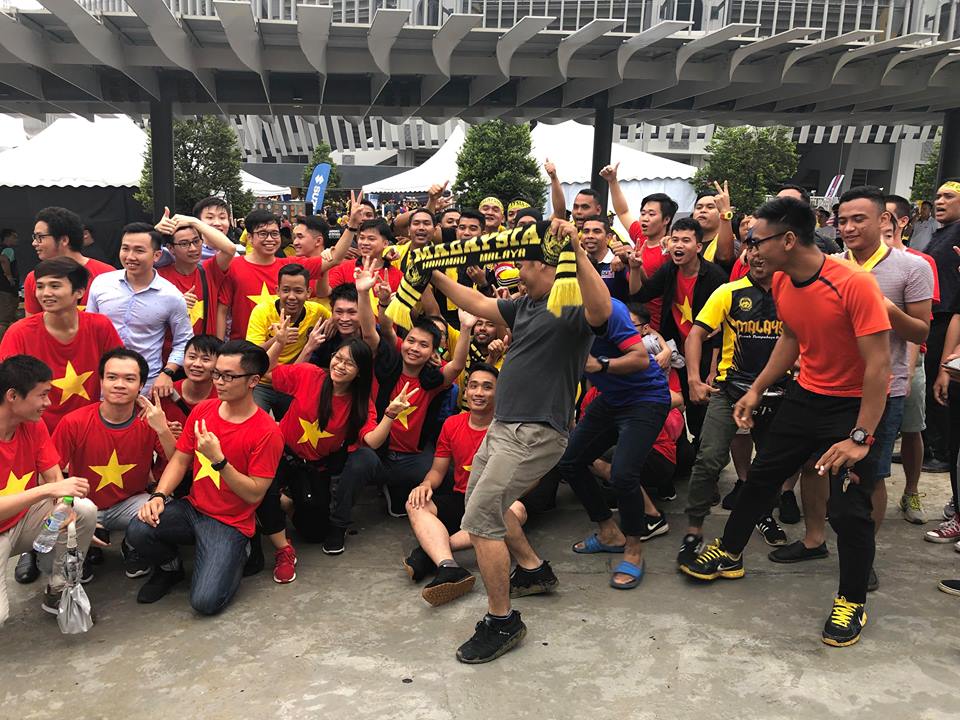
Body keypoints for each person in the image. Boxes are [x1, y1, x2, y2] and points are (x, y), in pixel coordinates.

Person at [679, 197, 892, 648]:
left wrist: (860, 437)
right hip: (805, 397)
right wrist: (756, 389)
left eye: (756, 240)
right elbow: (792, 337)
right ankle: (730, 552)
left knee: (848, 509)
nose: (750, 250)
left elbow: (879, 367)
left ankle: (852, 600)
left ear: (789, 239)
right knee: (761, 478)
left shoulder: (854, 284)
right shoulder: (781, 281)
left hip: (852, 407)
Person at [428, 218, 611, 663]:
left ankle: (502, 620)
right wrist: (428, 271)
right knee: (482, 505)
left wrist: (576, 249)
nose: (517, 273)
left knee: (482, 517)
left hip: (534, 432)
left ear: (548, 266)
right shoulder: (524, 305)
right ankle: (532, 569)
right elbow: (475, 301)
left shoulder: (571, 306)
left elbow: (602, 310)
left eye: (525, 265)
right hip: (504, 427)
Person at [790, 186, 931, 593]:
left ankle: (861, 555)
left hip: (883, 388)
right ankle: (814, 538)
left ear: (884, 220)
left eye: (858, 219)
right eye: (843, 221)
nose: (849, 228)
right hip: (826, 386)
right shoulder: (830, 265)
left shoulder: (912, 267)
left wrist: (886, 309)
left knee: (869, 474)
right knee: (814, 465)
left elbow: (921, 332)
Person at [126, 341, 284, 614]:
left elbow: (254, 493)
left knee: (205, 602)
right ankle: (170, 567)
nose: (219, 382)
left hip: (230, 522)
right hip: (194, 508)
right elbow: (180, 459)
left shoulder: (267, 432)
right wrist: (159, 495)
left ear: (253, 381)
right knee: (139, 528)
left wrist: (219, 461)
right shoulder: (203, 411)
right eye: (217, 374)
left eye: (228, 376)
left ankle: (239, 551)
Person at [678, 239, 790, 568]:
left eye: (763, 248)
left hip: (779, 393)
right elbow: (695, 334)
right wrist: (693, 379)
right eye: (752, 248)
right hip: (730, 391)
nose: (757, 255)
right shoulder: (728, 292)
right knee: (708, 459)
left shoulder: (792, 292)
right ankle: (694, 530)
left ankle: (763, 516)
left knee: (770, 466)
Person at [265, 333, 412, 564]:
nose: (340, 366)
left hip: (314, 467)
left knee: (314, 532)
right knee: (261, 493)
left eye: (349, 363)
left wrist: (390, 415)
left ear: (360, 372)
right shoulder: (310, 374)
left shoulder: (360, 403)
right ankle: (279, 508)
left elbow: (372, 441)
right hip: (281, 453)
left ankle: (290, 503)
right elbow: (266, 371)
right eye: (338, 358)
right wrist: (279, 342)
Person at [561, 297, 671, 589]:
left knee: (623, 474)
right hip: (612, 400)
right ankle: (609, 533)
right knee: (570, 462)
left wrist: (599, 364)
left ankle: (633, 550)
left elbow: (640, 359)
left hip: (646, 399)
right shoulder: (552, 314)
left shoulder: (609, 309)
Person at [404, 364, 529, 607]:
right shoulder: (452, 424)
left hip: (494, 503)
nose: (478, 393)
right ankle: (449, 567)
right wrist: (425, 484)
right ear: (466, 391)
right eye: (473, 386)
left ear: (499, 392)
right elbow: (438, 471)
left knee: (518, 510)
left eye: (487, 387)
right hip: (461, 498)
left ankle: (432, 552)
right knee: (415, 503)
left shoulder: (508, 429)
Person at [358, 260, 472, 516]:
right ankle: (385, 485)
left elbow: (457, 365)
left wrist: (465, 328)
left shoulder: (432, 380)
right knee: (360, 463)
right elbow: (372, 333)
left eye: (424, 345)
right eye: (411, 341)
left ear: (434, 352)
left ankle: (398, 488)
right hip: (380, 453)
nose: (414, 348)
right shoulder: (387, 365)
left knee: (443, 479)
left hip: (414, 457)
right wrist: (364, 294)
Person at [52, 348, 177, 581]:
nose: (119, 385)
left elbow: (177, 463)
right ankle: (83, 546)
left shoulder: (150, 420)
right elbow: (50, 473)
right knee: (53, 522)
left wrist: (163, 429)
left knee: (167, 510)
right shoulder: (74, 421)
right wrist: (64, 504)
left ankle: (132, 543)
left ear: (141, 385)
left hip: (129, 504)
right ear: (101, 382)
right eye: (112, 377)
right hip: (84, 505)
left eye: (129, 379)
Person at [0, 354, 97, 624]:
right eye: (42, 395)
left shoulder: (33, 424)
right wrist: (47, 492)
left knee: (83, 510)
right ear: (12, 396)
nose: (48, 403)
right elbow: (51, 487)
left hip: (21, 520)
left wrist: (62, 506)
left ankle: (58, 588)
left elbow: (54, 476)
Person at [629, 217, 727, 441]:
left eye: (685, 240)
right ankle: (683, 452)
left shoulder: (715, 277)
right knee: (684, 408)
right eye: (674, 240)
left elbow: (723, 328)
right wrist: (635, 268)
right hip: (678, 353)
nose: (678, 245)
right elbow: (640, 295)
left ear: (699, 247)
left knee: (703, 413)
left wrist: (714, 369)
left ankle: (702, 453)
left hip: (707, 354)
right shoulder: (670, 270)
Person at [0, 257, 122, 432]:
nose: (45, 293)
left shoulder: (100, 326)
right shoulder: (19, 332)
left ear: (79, 292)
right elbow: (6, 387)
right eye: (40, 286)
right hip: (35, 430)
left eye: (55, 286)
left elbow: (121, 369)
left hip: (87, 428)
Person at [86, 223, 193, 395]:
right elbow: (88, 329)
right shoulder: (101, 283)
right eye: (125, 249)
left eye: (139, 250)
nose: (130, 256)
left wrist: (167, 373)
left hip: (146, 384)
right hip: (102, 380)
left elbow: (184, 341)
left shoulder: (171, 296)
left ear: (157, 255)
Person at [886, 193, 940, 522]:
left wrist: (905, 371)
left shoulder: (920, 263)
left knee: (911, 428)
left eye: (885, 216)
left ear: (902, 222)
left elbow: (920, 325)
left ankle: (911, 492)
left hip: (908, 359)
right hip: (863, 361)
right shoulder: (853, 261)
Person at [218, 207, 352, 341]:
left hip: (288, 349)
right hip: (244, 348)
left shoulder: (291, 265)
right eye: (263, 234)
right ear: (250, 238)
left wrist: (352, 226)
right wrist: (218, 347)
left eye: (274, 233)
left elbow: (335, 258)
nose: (270, 239)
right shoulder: (233, 266)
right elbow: (222, 311)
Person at [245, 263, 330, 418]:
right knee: (254, 421)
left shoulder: (317, 311)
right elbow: (251, 354)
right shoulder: (262, 311)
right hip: (261, 383)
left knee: (298, 426)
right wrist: (277, 340)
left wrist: (334, 323)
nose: (291, 297)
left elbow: (336, 319)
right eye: (286, 290)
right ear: (277, 290)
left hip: (292, 384)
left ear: (308, 292)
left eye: (298, 291)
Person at [604, 163, 677, 330]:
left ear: (666, 219)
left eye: (651, 214)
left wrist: (630, 262)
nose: (644, 218)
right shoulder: (640, 236)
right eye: (643, 213)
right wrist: (612, 181)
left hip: (656, 324)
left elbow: (651, 286)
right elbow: (623, 212)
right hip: (633, 321)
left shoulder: (670, 247)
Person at [921, 179, 960, 483]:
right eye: (938, 196)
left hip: (950, 316)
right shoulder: (940, 232)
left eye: (948, 197)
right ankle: (926, 446)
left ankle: (943, 451)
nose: (940, 201)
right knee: (928, 383)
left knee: (940, 382)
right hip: (935, 315)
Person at [155, 208, 237, 339]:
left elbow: (230, 249)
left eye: (196, 241)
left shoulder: (210, 270)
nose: (193, 248)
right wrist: (176, 304)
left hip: (205, 349)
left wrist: (194, 221)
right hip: (170, 349)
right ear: (171, 248)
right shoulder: (158, 277)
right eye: (184, 244)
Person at [22, 207, 115, 317]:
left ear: (64, 240)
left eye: (40, 237)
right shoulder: (34, 278)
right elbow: (32, 323)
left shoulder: (107, 275)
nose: (34, 243)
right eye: (35, 237)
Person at [690, 186, 735, 267]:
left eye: (710, 207)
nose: (703, 210)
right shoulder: (685, 242)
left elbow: (724, 257)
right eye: (699, 207)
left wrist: (725, 214)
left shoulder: (732, 243)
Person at [0, 228, 18, 337]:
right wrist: (9, 276)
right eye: (14, 237)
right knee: (4, 320)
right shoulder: (8, 250)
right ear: (7, 237)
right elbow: (3, 259)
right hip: (6, 289)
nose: (16, 239)